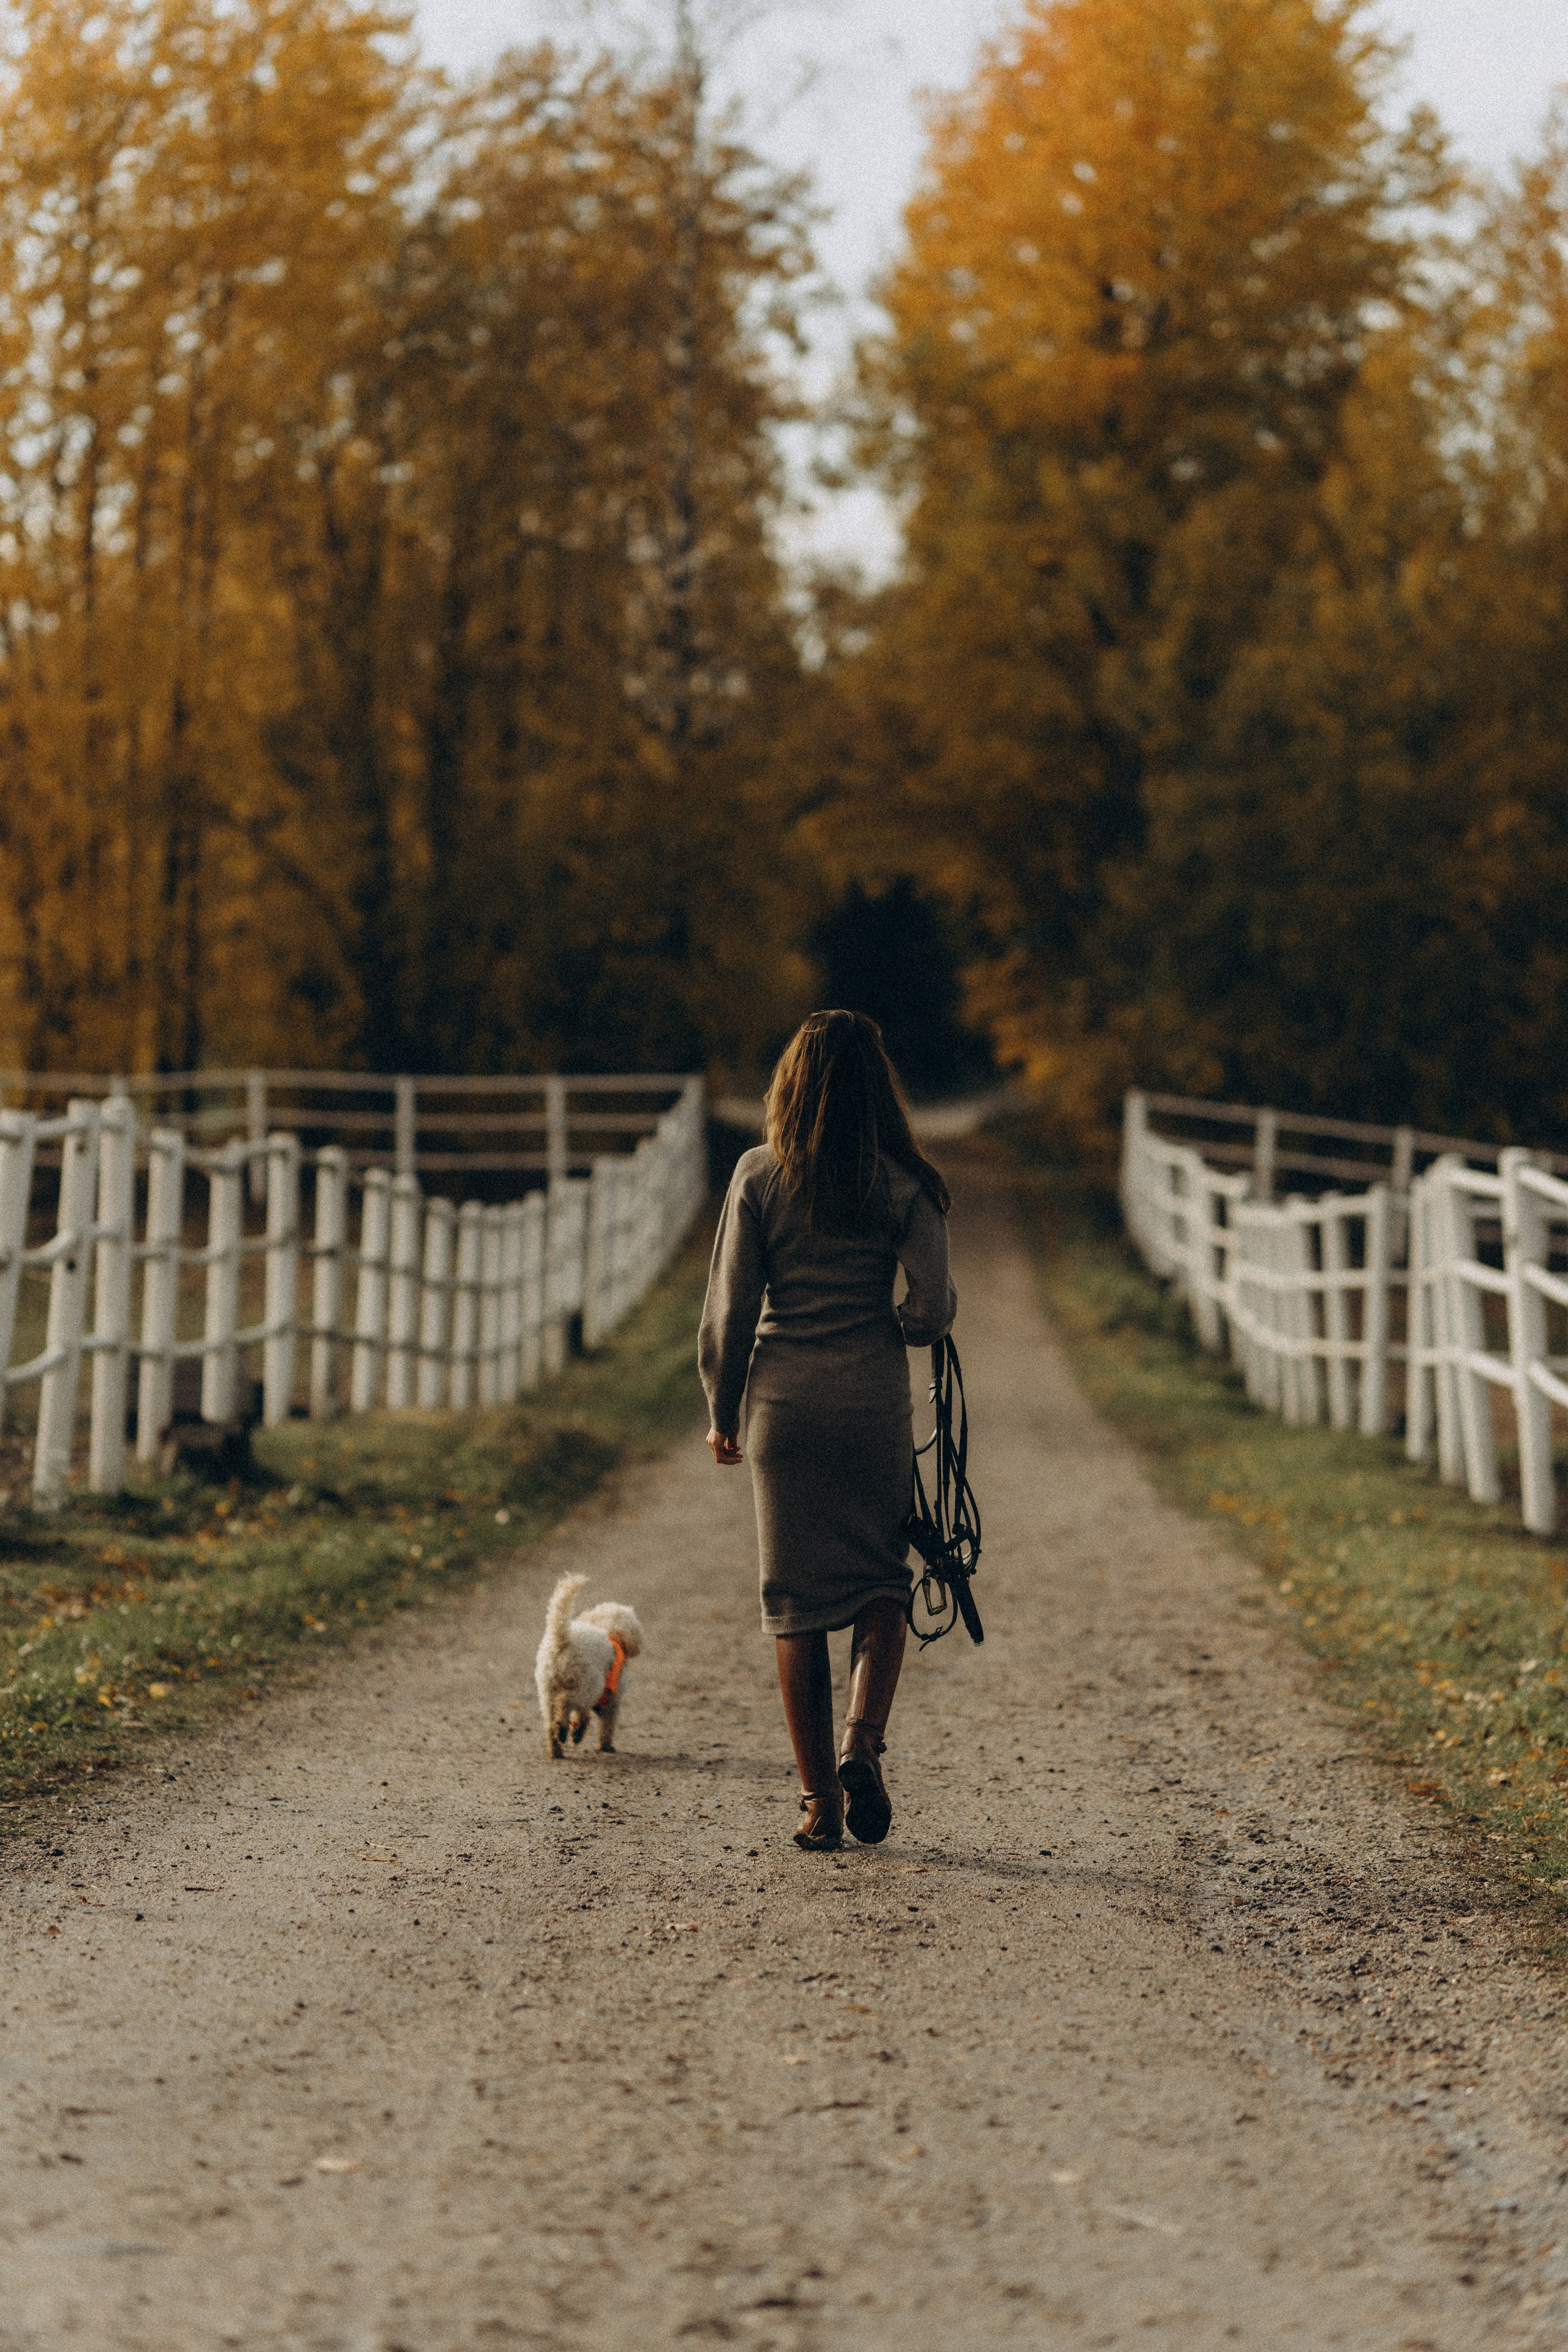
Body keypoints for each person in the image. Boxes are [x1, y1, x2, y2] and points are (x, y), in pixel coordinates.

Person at [698, 1009, 957, 1852]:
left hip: (784, 1412)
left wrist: (721, 1409)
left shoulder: (758, 1176)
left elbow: (730, 1312)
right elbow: (930, 1310)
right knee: (882, 1583)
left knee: (795, 1604)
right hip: (871, 1405)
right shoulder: (904, 1186)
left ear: (792, 1085)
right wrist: (902, 1322)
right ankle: (862, 1744)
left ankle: (819, 1803)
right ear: (878, 1093)